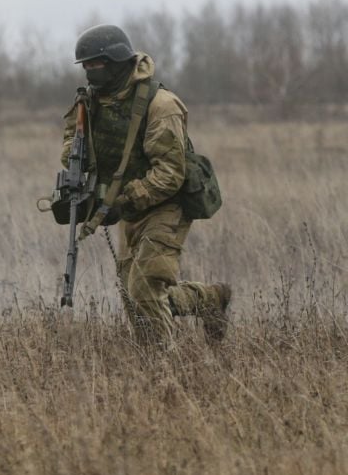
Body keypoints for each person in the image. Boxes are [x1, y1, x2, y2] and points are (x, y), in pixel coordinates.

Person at [63, 25, 232, 346]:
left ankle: (161, 370)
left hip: (168, 203)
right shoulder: (91, 103)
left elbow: (170, 173)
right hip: (129, 206)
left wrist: (123, 200)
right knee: (132, 291)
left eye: (94, 65)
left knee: (144, 286)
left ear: (114, 62)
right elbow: (71, 143)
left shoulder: (161, 105)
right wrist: (76, 162)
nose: (89, 73)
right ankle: (209, 300)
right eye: (85, 67)